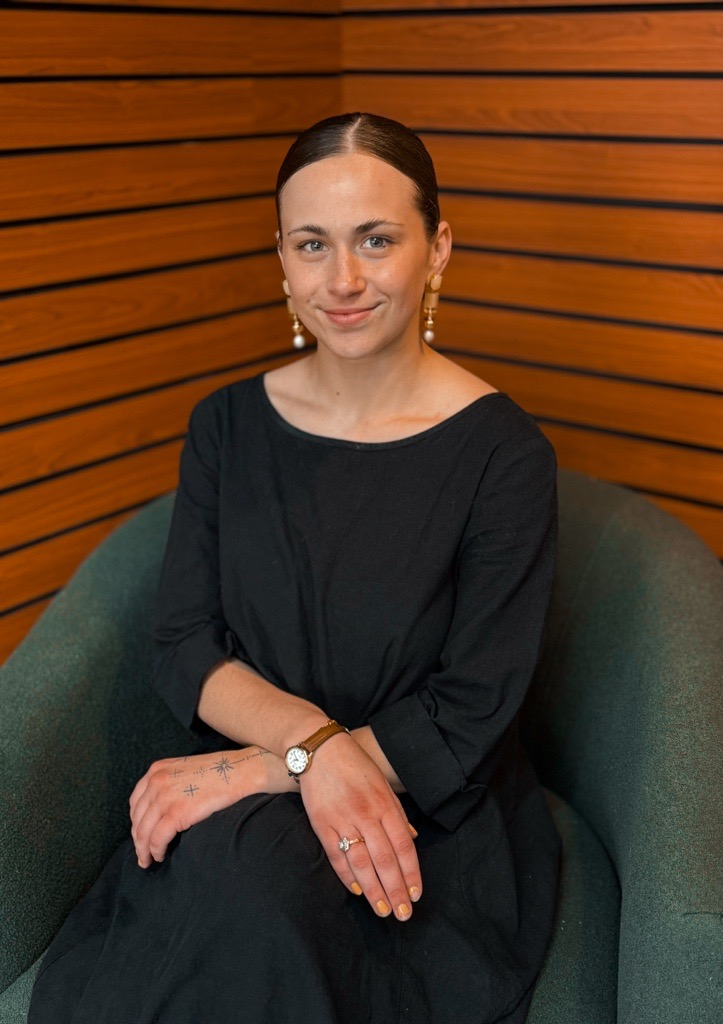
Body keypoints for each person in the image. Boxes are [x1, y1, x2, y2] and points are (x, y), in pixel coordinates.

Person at [29, 112, 560, 1024]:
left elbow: (470, 709)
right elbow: (184, 644)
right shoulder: (225, 427)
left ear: (437, 249)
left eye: (376, 240)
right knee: (239, 899)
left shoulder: (504, 455)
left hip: (425, 812)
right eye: (312, 244)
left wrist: (274, 766)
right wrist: (306, 746)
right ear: (280, 258)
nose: (342, 280)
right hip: (241, 805)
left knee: (258, 916)